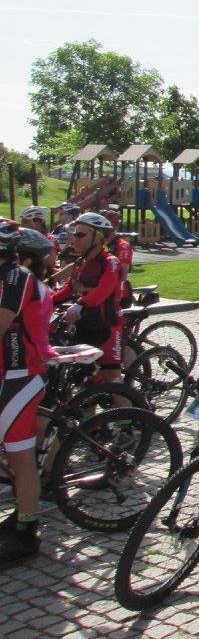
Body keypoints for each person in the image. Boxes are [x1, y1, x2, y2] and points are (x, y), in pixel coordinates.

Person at [0, 224, 55, 563]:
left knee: (21, 458)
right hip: (6, 375)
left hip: (21, 375)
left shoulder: (16, 278)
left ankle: (27, 530)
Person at [51, 212, 124, 385]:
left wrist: (80, 304)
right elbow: (69, 289)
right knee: (82, 379)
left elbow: (103, 291)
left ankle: (130, 403)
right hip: (84, 325)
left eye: (80, 234)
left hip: (106, 326)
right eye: (73, 233)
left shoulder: (110, 261)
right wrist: (46, 301)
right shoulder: (81, 262)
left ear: (98, 238)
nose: (74, 239)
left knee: (112, 378)